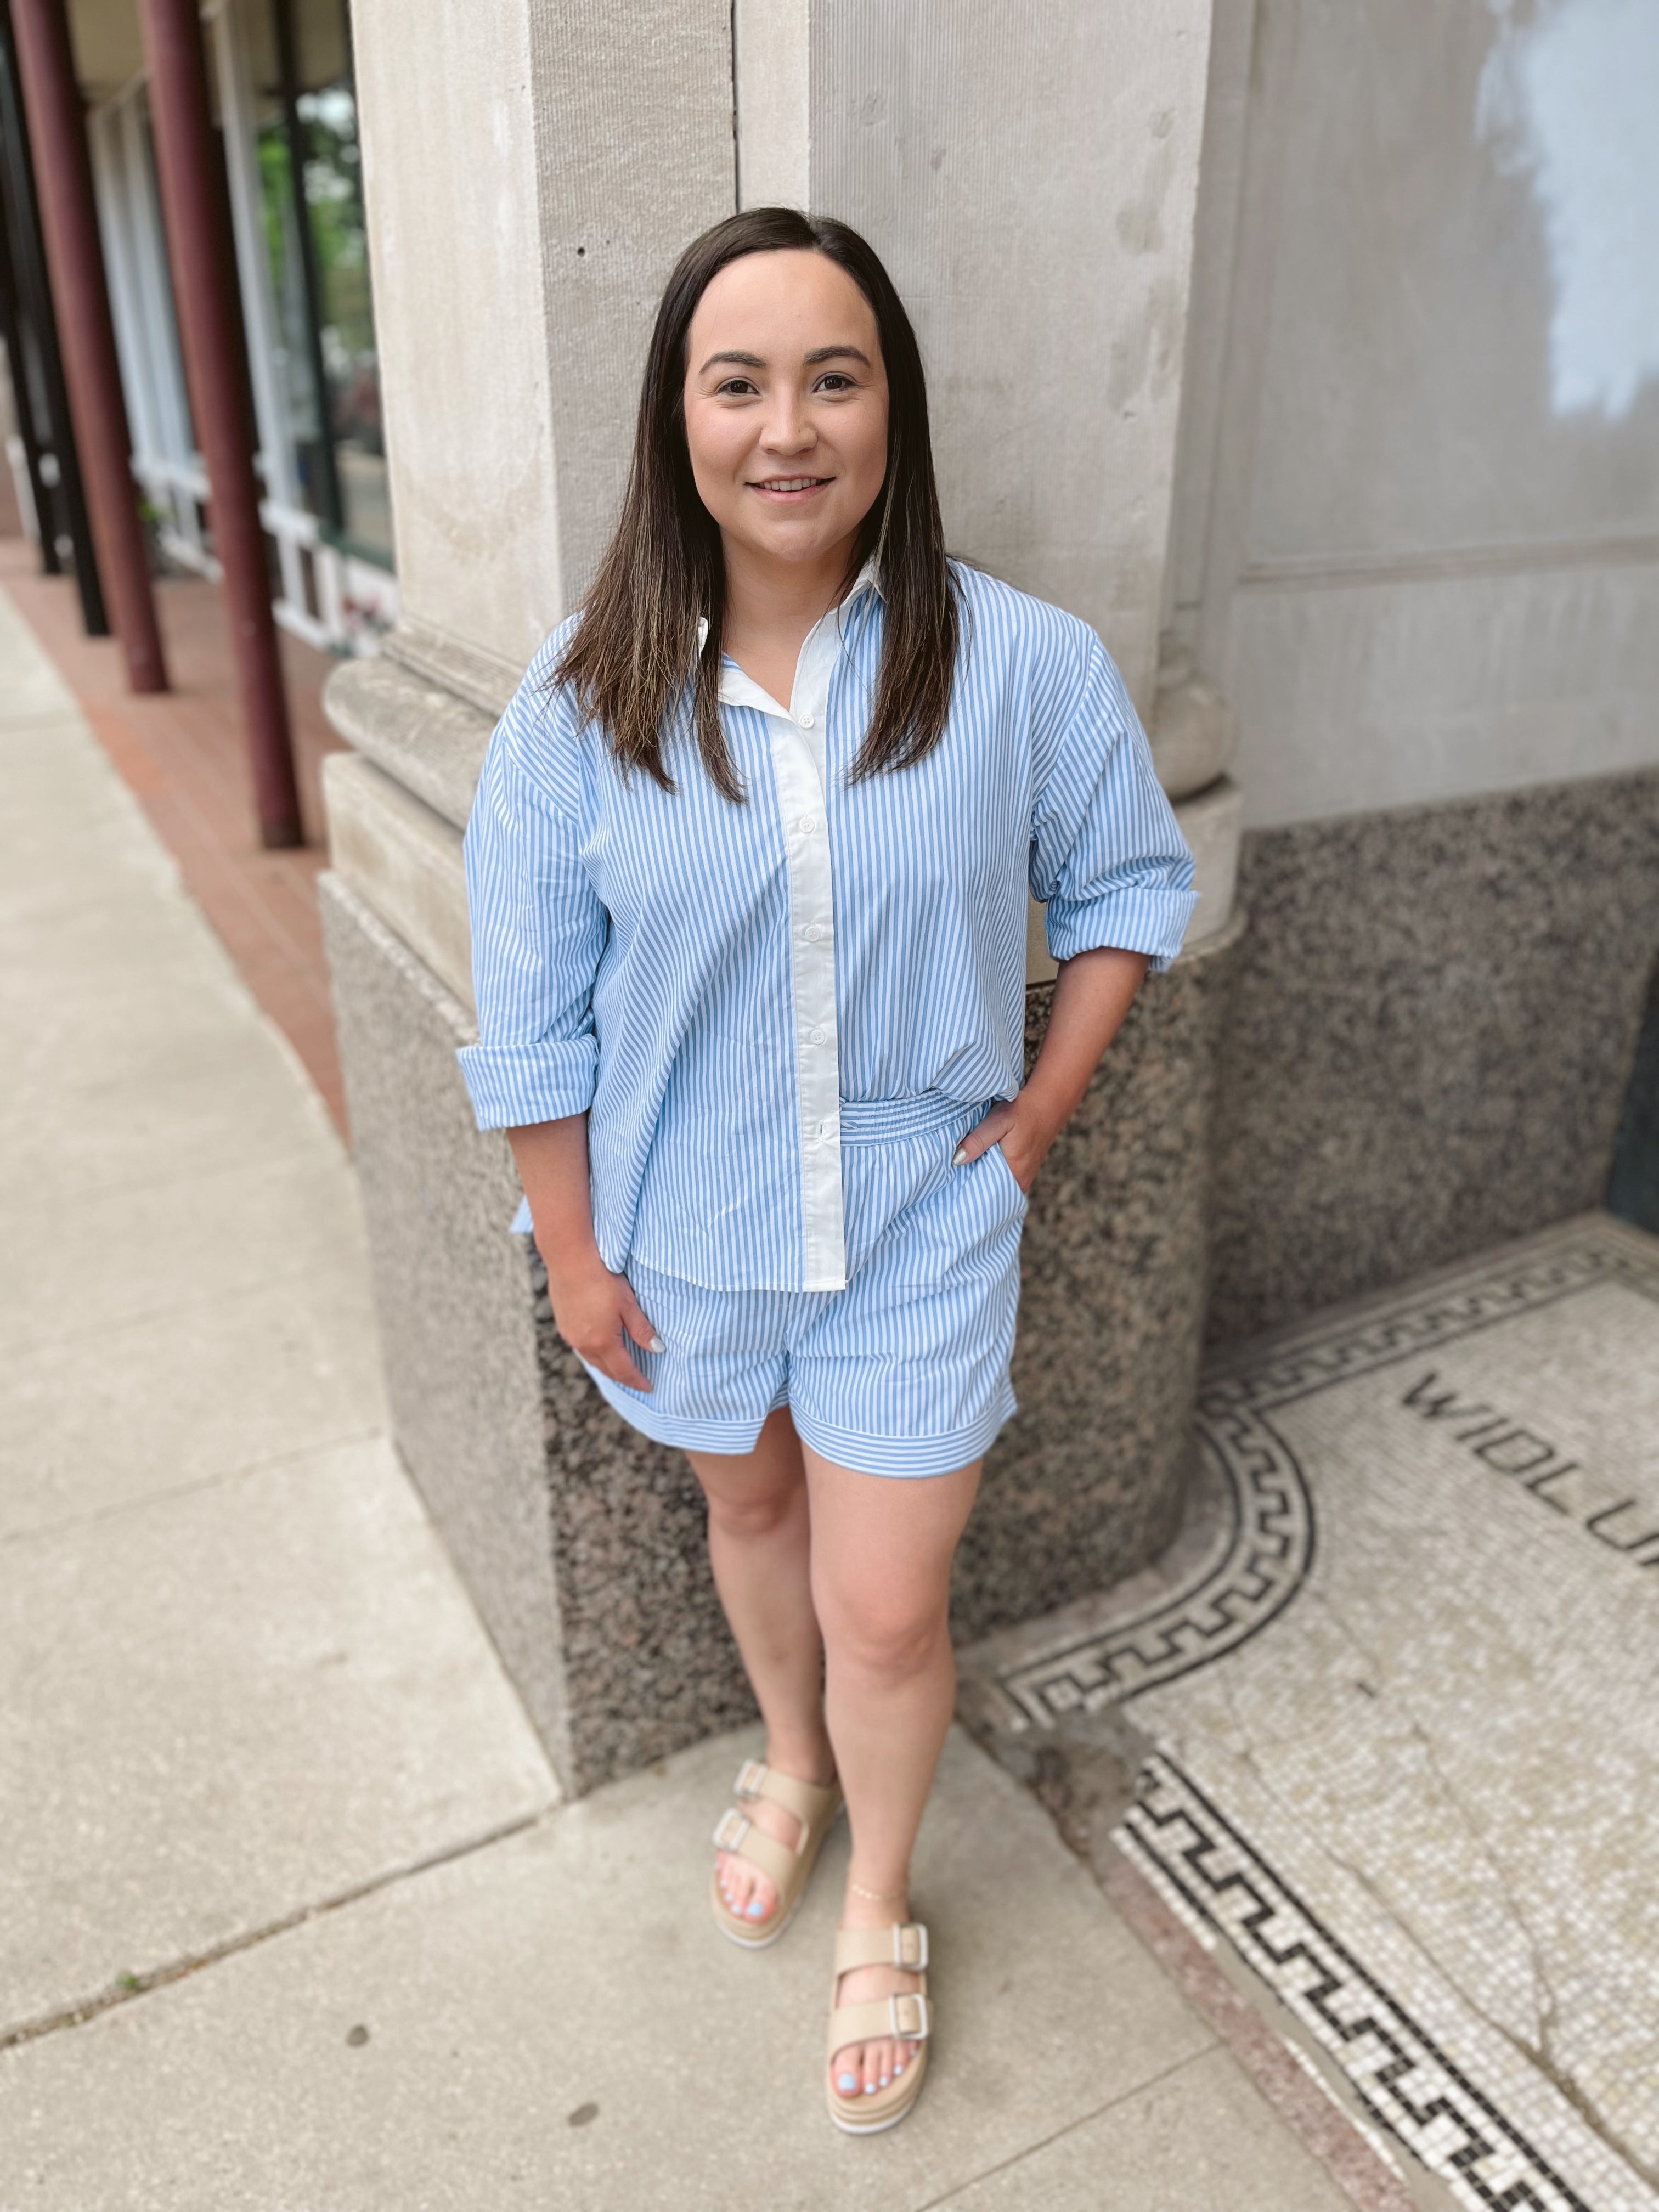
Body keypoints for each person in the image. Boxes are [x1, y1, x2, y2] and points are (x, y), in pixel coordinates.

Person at [458, 207, 1197, 2135]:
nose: (788, 426)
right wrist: (569, 1251)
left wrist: (1033, 1122)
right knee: (755, 1517)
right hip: (675, 1230)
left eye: (834, 375)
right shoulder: (577, 702)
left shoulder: (1014, 661)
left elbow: (1128, 886)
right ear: (677, 418)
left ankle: (879, 1897)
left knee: (890, 1601)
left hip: (921, 1226)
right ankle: (785, 1762)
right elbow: (534, 1013)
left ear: (892, 409)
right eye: (739, 380)